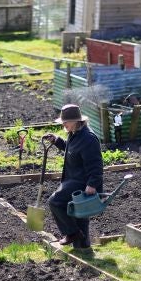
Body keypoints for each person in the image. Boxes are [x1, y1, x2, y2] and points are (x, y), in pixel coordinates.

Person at [44, 104, 103, 249]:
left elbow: (96, 164)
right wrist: (57, 141)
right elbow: (71, 150)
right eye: (63, 121)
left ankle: (72, 233)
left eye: (66, 121)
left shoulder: (88, 139)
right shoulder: (74, 134)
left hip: (82, 182)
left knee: (55, 202)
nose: (64, 124)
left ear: (77, 120)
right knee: (80, 215)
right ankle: (83, 248)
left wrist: (92, 184)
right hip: (72, 179)